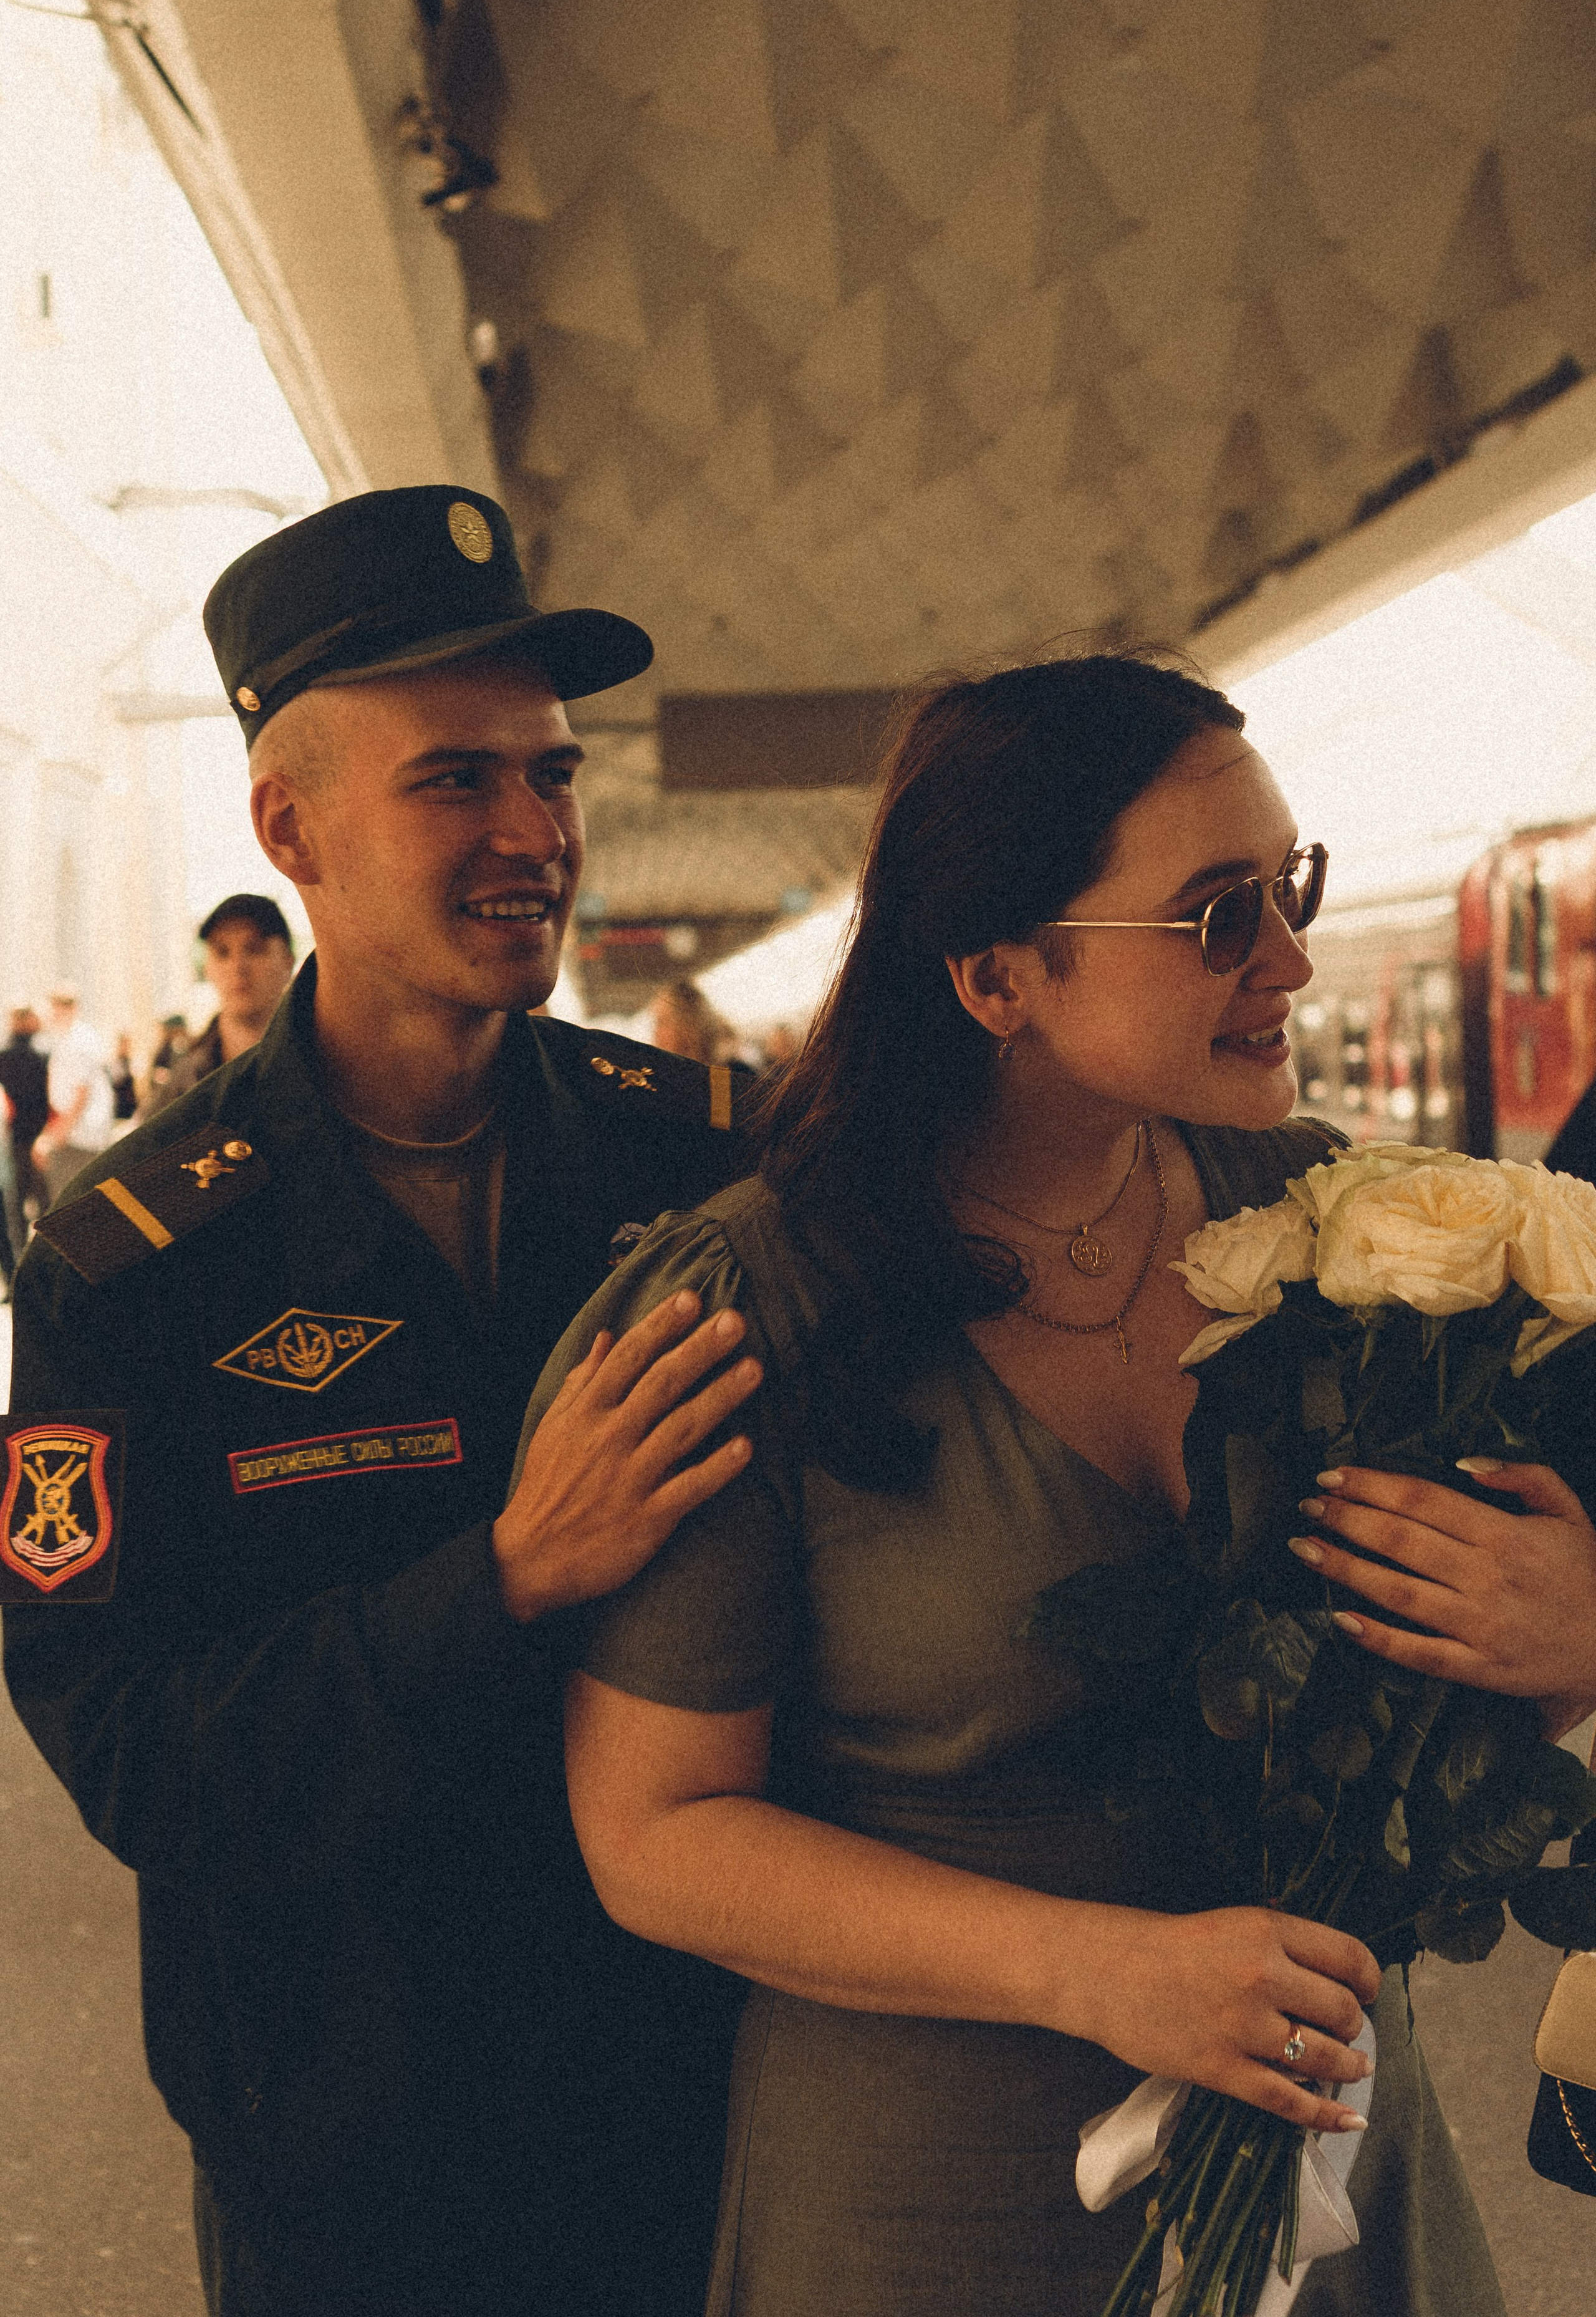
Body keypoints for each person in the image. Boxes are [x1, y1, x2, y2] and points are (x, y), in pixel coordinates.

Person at [529, 655, 1596, 2317]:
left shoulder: (1348, 1226)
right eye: (1218, 916)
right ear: (998, 976)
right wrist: (1094, 1969)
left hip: (1326, 2160)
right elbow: (651, 1833)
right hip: (943, 2212)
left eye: (1289, 889)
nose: (1291, 962)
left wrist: (1568, 1640)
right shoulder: (758, 1306)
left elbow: (1408, 1719)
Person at [3, 485, 764, 2317]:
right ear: (292, 825)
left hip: (692, 2109)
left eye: (554, 776)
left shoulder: (710, 1169)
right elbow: (140, 1751)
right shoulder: (135, 1260)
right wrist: (499, 1576)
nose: (534, 833)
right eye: (458, 782)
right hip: (357, 2160)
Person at [138, 894, 298, 1119]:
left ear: (288, 961)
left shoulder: (324, 1066)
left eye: (254, 949)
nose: (238, 967)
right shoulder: (184, 1082)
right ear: (207, 968)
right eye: (222, 952)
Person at [36, 985, 114, 1202]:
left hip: (78, 1138)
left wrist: (54, 1138)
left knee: (70, 1205)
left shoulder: (78, 1041)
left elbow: (81, 1095)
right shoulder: (71, 1038)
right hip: (75, 1133)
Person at [0, 1006, 49, 1260]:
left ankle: (21, 1261)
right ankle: (45, 1260)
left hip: (19, 1138)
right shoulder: (43, 1054)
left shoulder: (5, 1055)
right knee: (45, 1204)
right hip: (40, 1137)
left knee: (16, 1207)